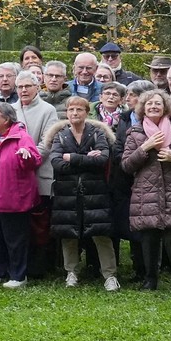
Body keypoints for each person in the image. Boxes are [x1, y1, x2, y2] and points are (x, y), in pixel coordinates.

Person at [122, 89, 171, 292]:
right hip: (146, 194)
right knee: (149, 238)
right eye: (149, 104)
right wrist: (144, 149)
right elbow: (127, 165)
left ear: (165, 107)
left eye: (158, 103)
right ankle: (150, 280)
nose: (153, 107)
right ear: (143, 109)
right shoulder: (135, 133)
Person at [46, 94, 120, 290]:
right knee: (69, 233)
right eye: (71, 109)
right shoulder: (60, 135)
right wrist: (86, 158)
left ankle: (110, 275)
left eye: (79, 109)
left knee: (101, 234)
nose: (75, 113)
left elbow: (102, 159)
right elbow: (57, 163)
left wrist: (72, 157)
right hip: (67, 192)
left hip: (95, 192)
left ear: (87, 112)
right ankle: (71, 272)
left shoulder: (97, 133)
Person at [0, 101, 41, 288]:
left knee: (15, 239)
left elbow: (35, 159)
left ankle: (18, 276)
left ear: (6, 119)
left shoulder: (21, 136)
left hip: (12, 197)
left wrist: (25, 156)